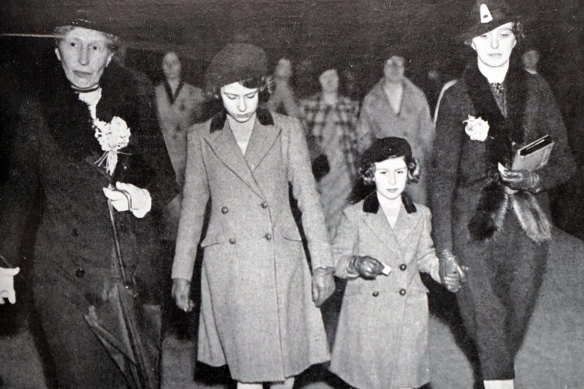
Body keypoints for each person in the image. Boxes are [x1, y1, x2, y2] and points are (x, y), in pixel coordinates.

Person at [0, 17, 177, 388]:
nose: (82, 57)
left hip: (125, 273)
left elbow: (164, 178)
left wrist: (140, 196)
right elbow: (19, 191)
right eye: (73, 44)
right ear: (57, 51)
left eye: (94, 47)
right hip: (62, 274)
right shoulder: (38, 109)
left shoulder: (135, 95)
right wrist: (5, 262)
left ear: (110, 55)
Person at [171, 43, 335, 389]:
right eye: (232, 97)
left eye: (250, 95)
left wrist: (322, 265)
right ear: (217, 94)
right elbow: (192, 209)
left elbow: (309, 199)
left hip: (281, 262)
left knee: (285, 369)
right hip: (229, 266)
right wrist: (181, 273)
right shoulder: (201, 137)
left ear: (262, 89)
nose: (242, 106)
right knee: (244, 372)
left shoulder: (287, 129)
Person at [430, 1, 576, 388]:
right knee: (487, 317)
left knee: (511, 321)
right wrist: (444, 249)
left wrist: (533, 180)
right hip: (471, 224)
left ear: (515, 41)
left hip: (528, 227)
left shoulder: (536, 88)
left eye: (503, 35)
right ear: (472, 44)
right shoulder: (456, 97)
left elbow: (566, 162)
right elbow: (442, 177)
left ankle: (494, 377)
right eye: (484, 37)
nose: (494, 45)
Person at [329, 137, 463, 389]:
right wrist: (356, 263)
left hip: (407, 313)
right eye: (384, 172)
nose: (392, 181)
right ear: (371, 174)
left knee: (403, 381)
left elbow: (425, 256)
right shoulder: (354, 215)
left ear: (410, 172)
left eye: (399, 172)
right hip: (367, 316)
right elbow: (336, 259)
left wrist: (441, 272)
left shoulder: (421, 215)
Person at [356, 55, 434, 205]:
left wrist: (427, 166)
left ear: (405, 67)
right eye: (390, 63)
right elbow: (363, 137)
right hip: (385, 170)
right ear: (383, 67)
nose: (394, 68)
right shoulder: (371, 100)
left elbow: (428, 134)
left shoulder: (417, 96)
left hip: (414, 170)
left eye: (399, 63)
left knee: (418, 215)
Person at [299, 66, 360, 239]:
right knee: (321, 217)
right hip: (321, 173)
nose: (330, 80)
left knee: (344, 218)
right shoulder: (307, 106)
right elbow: (302, 140)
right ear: (318, 80)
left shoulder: (350, 106)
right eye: (324, 76)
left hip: (345, 172)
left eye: (333, 75)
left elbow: (357, 138)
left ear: (339, 79)